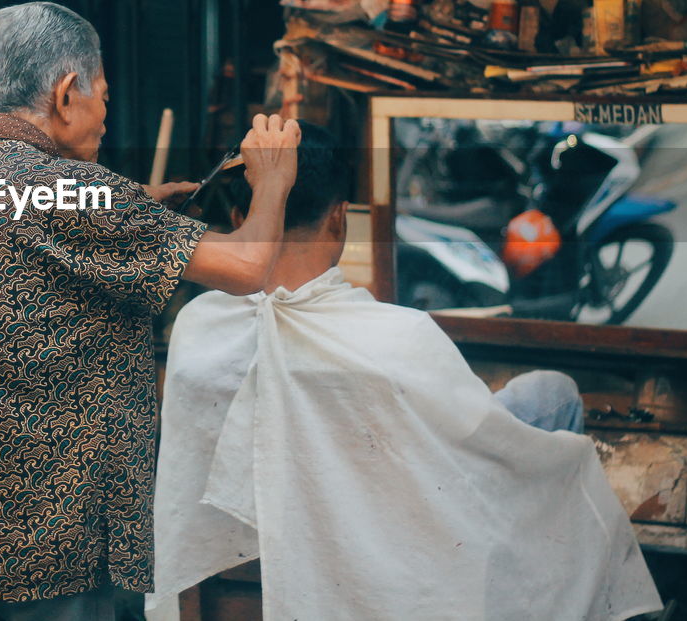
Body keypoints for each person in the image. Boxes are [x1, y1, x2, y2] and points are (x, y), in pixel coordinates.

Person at [149, 122, 661, 621]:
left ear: (242, 215)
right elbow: (476, 457)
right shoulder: (400, 338)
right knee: (552, 394)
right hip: (391, 585)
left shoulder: (198, 330)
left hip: (240, 584)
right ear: (339, 218)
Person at [0, 2, 300, 621]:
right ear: (63, 94)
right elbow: (247, 269)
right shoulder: (72, 191)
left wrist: (133, 209)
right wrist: (272, 179)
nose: (107, 117)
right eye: (102, 95)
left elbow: (28, 237)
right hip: (52, 551)